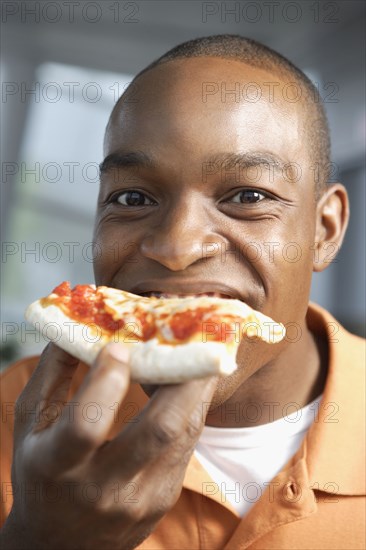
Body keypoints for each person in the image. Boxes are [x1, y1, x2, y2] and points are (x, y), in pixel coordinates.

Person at [0, 35, 365, 549]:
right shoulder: (11, 411)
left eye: (248, 196)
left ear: (324, 231)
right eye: (132, 197)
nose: (176, 246)